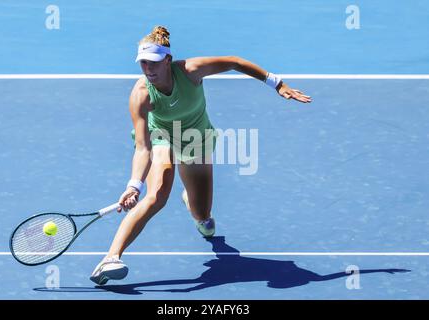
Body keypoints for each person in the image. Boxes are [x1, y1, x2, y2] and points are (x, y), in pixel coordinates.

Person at [90, 26, 311, 285]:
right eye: (143, 64)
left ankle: (193, 202)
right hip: (162, 136)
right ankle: (110, 258)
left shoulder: (191, 71)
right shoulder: (140, 95)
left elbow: (234, 62)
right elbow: (143, 147)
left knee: (203, 216)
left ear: (168, 61)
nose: (148, 69)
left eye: (153, 63)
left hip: (196, 140)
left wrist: (277, 83)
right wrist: (133, 185)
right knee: (156, 195)